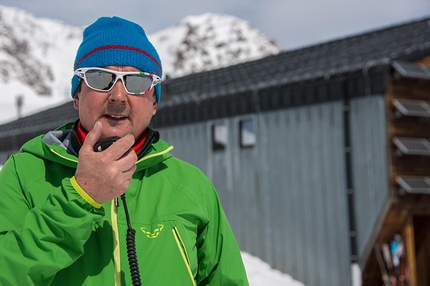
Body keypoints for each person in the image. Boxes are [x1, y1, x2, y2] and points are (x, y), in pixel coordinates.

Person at [0, 16, 249, 286]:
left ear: (154, 102)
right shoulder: (23, 174)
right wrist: (80, 197)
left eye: (137, 82)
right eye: (100, 78)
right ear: (76, 95)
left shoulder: (191, 185)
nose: (118, 96)